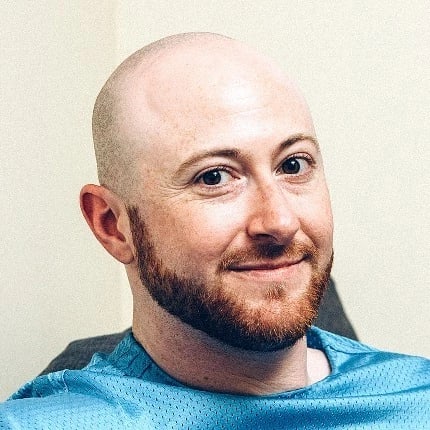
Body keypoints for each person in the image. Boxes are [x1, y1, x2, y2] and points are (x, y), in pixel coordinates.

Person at [1, 32, 428, 429]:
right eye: (214, 178)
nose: (279, 221)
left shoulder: (416, 396)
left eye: (293, 165)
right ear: (113, 226)